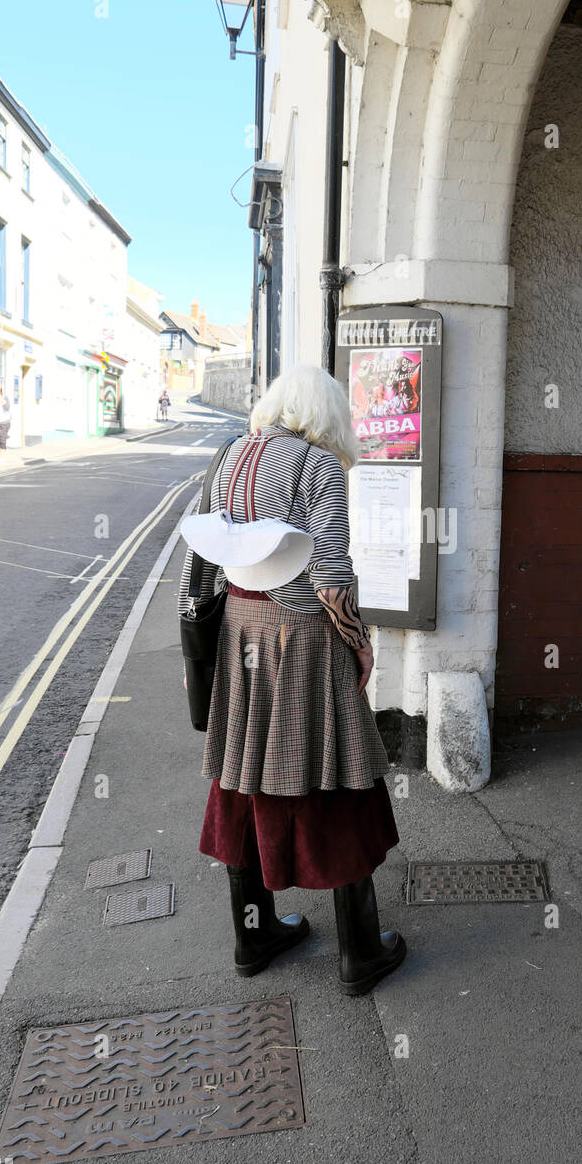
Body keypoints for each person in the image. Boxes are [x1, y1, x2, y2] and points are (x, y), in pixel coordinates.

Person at [178, 364, 405, 996]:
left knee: (244, 773)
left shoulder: (231, 454)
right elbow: (330, 578)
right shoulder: (318, 464)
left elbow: (207, 557)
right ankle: (359, 953)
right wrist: (361, 643)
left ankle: (253, 937)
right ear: (325, 414)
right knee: (336, 773)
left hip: (239, 629)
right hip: (301, 637)